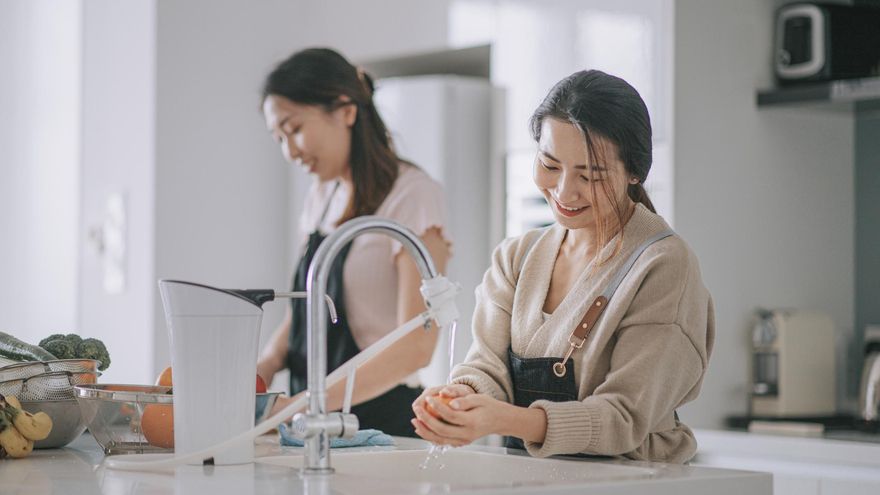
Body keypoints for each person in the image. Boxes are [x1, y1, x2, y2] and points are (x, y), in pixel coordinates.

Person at [411, 70, 714, 463]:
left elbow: (624, 417)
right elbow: (488, 366)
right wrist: (461, 398)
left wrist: (509, 420)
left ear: (635, 173)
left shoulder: (663, 265)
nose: (564, 191)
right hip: (531, 480)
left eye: (591, 175)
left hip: (635, 483)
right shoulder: (517, 257)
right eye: (550, 165)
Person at [258, 48, 452, 437]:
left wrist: (301, 405)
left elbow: (416, 345)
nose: (289, 151)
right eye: (279, 137)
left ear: (345, 110)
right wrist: (262, 369)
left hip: (377, 422)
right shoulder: (321, 195)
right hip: (311, 421)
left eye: (294, 129)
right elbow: (304, 311)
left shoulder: (412, 196)